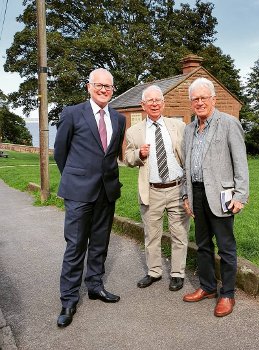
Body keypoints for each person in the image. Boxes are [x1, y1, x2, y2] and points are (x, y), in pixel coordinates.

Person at [54, 68, 126, 328]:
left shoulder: (119, 119)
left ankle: (95, 286)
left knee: (99, 243)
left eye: (108, 86)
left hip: (106, 192)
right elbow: (60, 153)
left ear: (113, 89)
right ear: (89, 87)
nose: (104, 89)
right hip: (78, 192)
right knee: (75, 246)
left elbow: (113, 154)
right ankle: (69, 299)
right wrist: (76, 180)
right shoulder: (72, 113)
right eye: (99, 85)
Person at [182, 77, 249, 317]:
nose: (199, 102)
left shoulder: (229, 123)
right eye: (195, 99)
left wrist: (241, 195)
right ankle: (208, 287)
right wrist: (186, 195)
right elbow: (187, 167)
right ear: (191, 102)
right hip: (197, 193)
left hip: (222, 195)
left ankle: (227, 294)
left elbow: (241, 163)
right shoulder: (189, 129)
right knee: (202, 245)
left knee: (226, 247)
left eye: (203, 98)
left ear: (213, 99)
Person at [125, 85, 189, 292]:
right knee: (152, 235)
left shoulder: (178, 125)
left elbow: (188, 153)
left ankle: (177, 273)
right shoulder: (133, 132)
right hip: (151, 191)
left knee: (179, 233)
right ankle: (154, 271)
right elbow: (127, 158)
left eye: (158, 100)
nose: (154, 104)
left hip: (177, 189)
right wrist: (139, 155)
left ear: (163, 103)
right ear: (143, 105)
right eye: (149, 101)